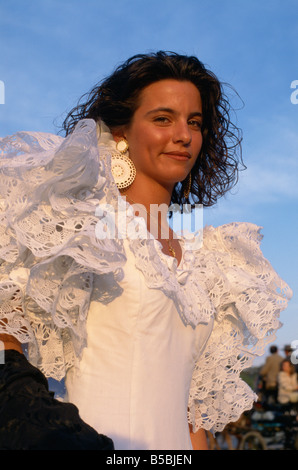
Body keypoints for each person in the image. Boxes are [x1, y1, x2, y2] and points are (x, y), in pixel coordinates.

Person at [0, 51, 292, 450]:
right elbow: (6, 323)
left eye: (194, 122)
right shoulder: (81, 224)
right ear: (120, 133)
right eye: (162, 119)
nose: (183, 135)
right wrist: (32, 416)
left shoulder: (212, 259)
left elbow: (192, 418)